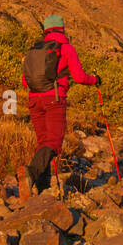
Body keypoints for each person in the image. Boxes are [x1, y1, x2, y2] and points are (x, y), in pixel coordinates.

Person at [19, 14, 98, 199]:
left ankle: (42, 188)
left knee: (44, 142)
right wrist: (95, 80)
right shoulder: (66, 48)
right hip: (54, 99)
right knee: (53, 143)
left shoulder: (34, 49)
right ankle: (30, 172)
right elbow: (79, 77)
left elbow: (25, 81)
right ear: (62, 29)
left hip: (34, 101)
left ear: (45, 31)